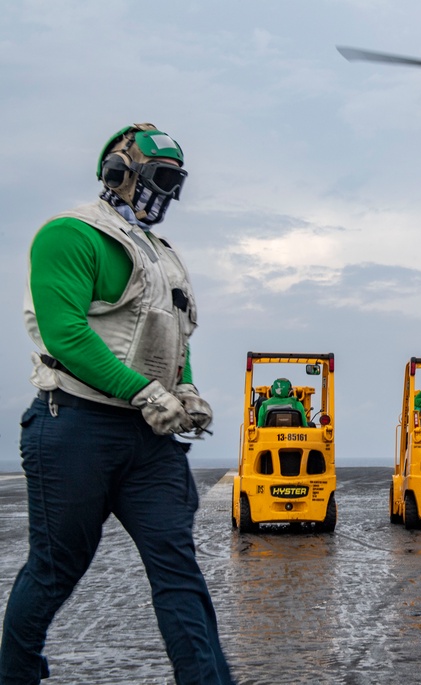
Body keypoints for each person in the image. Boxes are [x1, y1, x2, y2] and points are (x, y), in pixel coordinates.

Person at [1, 123, 233, 684]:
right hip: (74, 426)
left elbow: (174, 337)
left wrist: (185, 389)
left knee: (178, 567)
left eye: (176, 183)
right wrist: (145, 391)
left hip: (150, 435)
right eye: (160, 179)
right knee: (57, 568)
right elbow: (64, 336)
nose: (167, 194)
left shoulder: (163, 256)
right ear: (117, 172)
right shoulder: (70, 234)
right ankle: (14, 674)